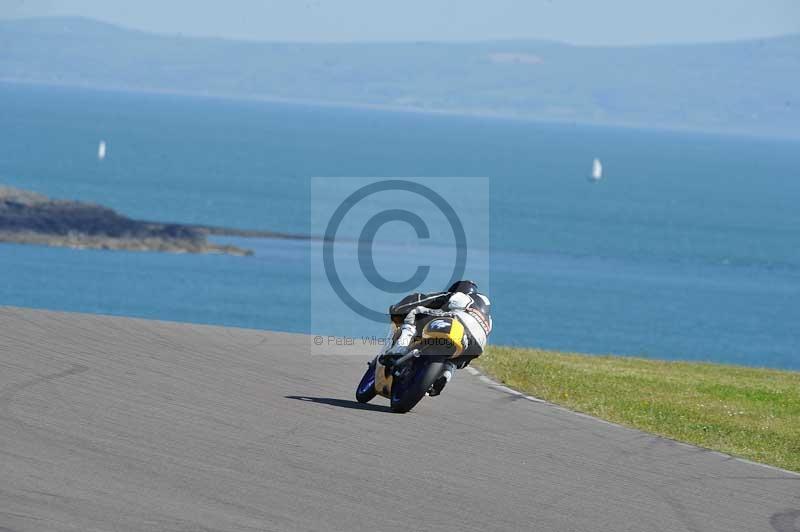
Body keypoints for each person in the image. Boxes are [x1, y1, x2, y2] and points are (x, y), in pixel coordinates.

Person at [384, 280, 492, 396]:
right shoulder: (488, 318)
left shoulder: (459, 296)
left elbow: (422, 299)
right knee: (453, 360)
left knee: (415, 312)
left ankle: (398, 350)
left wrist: (397, 309)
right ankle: (445, 376)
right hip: (477, 344)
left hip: (460, 321)